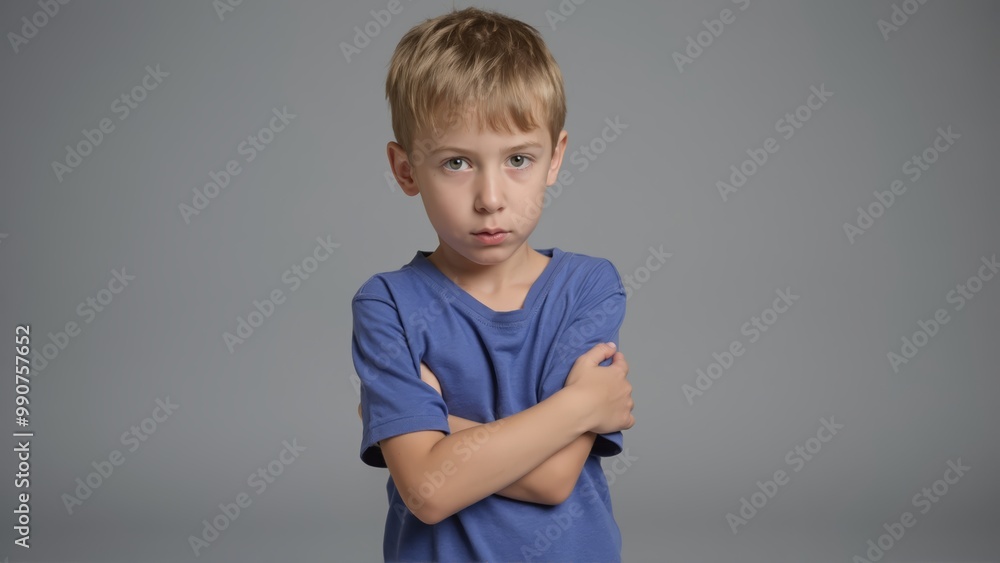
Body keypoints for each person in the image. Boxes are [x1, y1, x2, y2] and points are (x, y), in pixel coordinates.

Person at [352, 7, 636, 561]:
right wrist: (581, 406)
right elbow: (429, 494)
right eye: (457, 162)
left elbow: (555, 478)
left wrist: (436, 429)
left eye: (518, 160)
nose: (490, 198)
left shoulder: (588, 286)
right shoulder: (386, 304)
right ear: (406, 170)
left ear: (554, 158)